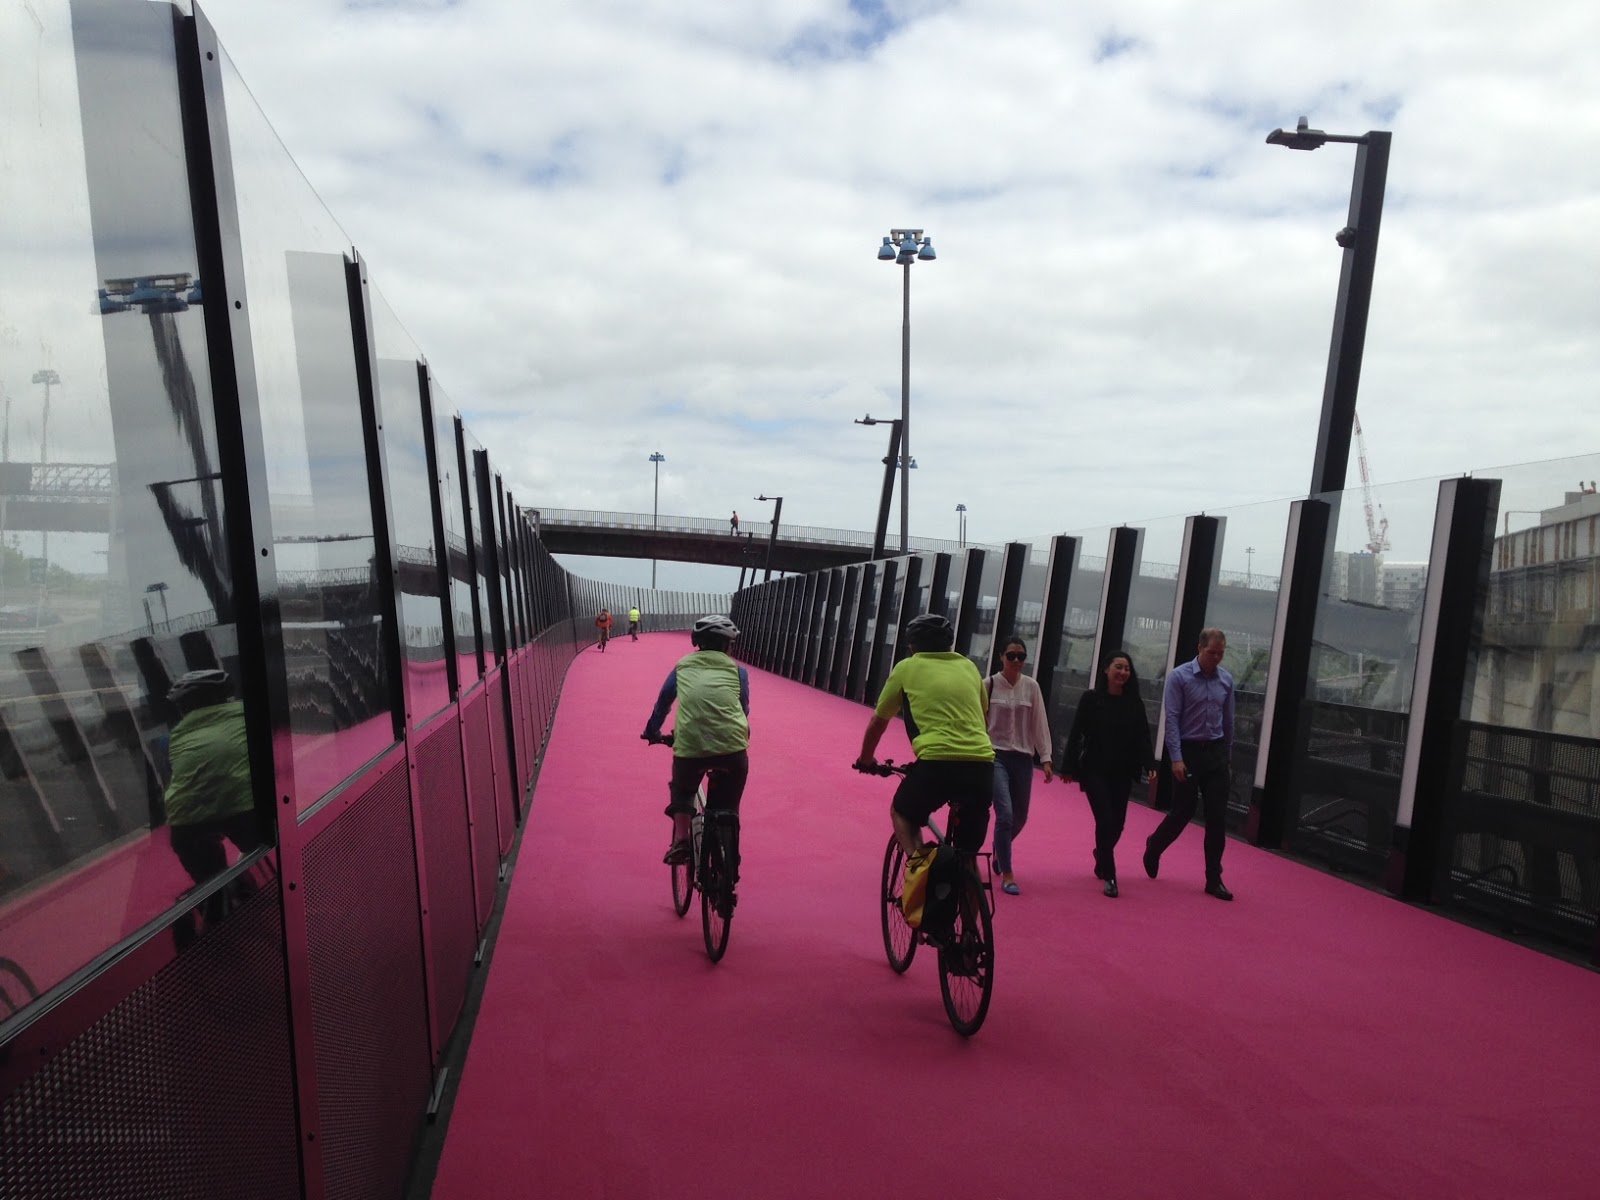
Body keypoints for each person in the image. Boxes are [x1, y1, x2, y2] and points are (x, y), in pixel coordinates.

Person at [855, 613, 994, 864]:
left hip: (937, 765)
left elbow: (879, 721)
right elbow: (983, 717)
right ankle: (970, 885)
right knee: (968, 855)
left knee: (902, 813)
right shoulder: (969, 667)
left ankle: (919, 870)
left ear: (913, 646)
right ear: (949, 644)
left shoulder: (907, 667)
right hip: (982, 767)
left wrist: (866, 759)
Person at [642, 615, 751, 870]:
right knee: (729, 804)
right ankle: (729, 853)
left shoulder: (682, 667)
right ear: (728, 645)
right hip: (733, 748)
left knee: (682, 788)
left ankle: (681, 839)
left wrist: (652, 731)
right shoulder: (738, 671)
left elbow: (663, 703)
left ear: (697, 642)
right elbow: (743, 708)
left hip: (690, 746)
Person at [163, 669, 262, 926]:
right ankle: (242, 887)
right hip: (245, 813)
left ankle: (221, 893)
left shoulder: (178, 735)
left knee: (206, 868)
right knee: (253, 841)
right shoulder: (248, 715)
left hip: (187, 820)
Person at [1144, 628, 1236, 900]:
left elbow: (1229, 721)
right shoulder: (1179, 677)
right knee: (1184, 811)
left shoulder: (1226, 680)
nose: (1216, 658)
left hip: (1215, 752)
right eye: (1211, 652)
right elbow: (1172, 719)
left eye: (1220, 653)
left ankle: (1213, 878)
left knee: (1217, 816)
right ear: (1199, 648)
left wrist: (1227, 756)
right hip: (1188, 751)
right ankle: (1155, 845)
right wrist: (1176, 758)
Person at [1062, 650, 1153, 898]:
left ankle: (1101, 853)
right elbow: (1076, 732)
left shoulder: (1134, 703)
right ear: (1106, 669)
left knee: (1118, 824)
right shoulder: (1091, 699)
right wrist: (1068, 767)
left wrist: (1150, 764)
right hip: (1094, 769)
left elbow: (1143, 737)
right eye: (1118, 667)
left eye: (1127, 668)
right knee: (1104, 820)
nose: (1123, 672)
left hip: (1122, 772)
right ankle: (1110, 875)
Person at [984, 636, 1054, 896]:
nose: (1016, 661)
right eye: (1011, 655)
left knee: (1020, 817)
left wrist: (1046, 757)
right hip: (995, 756)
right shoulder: (988, 685)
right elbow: (979, 721)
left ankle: (999, 847)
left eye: (1021, 656)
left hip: (1023, 759)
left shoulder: (1031, 687)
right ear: (1001, 657)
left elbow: (1039, 722)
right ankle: (1008, 873)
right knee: (1005, 813)